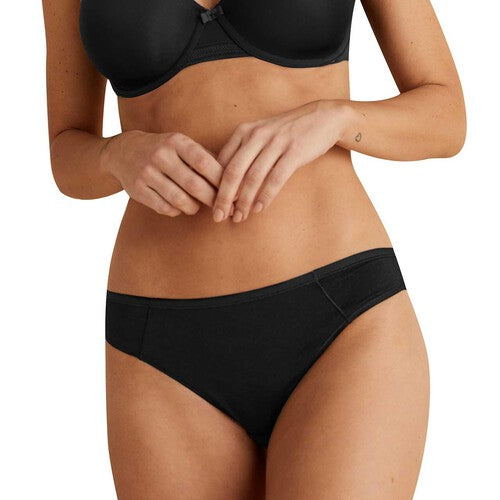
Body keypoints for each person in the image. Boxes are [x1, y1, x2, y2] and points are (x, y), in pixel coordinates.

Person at [42, 0, 466, 497]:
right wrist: (115, 154)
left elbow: (446, 115)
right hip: (161, 351)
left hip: (342, 325)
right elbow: (66, 151)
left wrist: (335, 118)